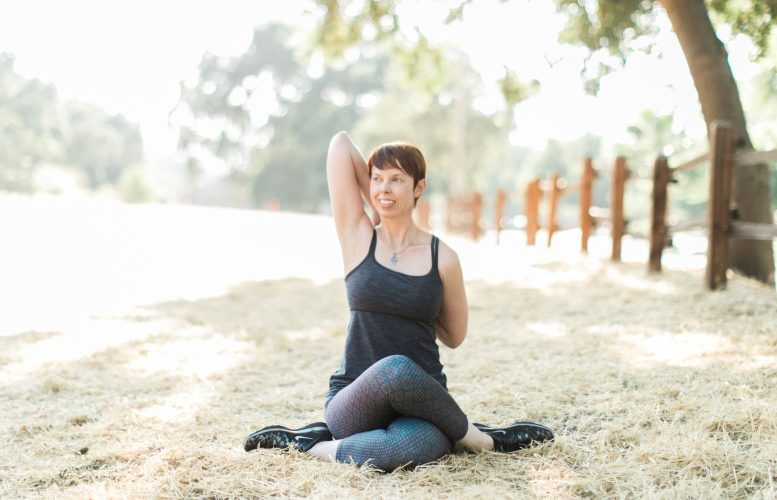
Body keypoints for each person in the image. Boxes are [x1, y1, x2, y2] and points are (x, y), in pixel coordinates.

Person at [244, 131, 554, 471]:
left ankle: (312, 445)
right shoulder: (358, 238)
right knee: (394, 368)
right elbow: (340, 145)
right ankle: (484, 440)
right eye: (377, 179)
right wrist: (379, 198)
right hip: (355, 400)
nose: (384, 187)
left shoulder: (444, 258)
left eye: (396, 180)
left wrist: (415, 305)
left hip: (422, 403)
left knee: (411, 447)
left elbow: (454, 336)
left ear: (418, 187)